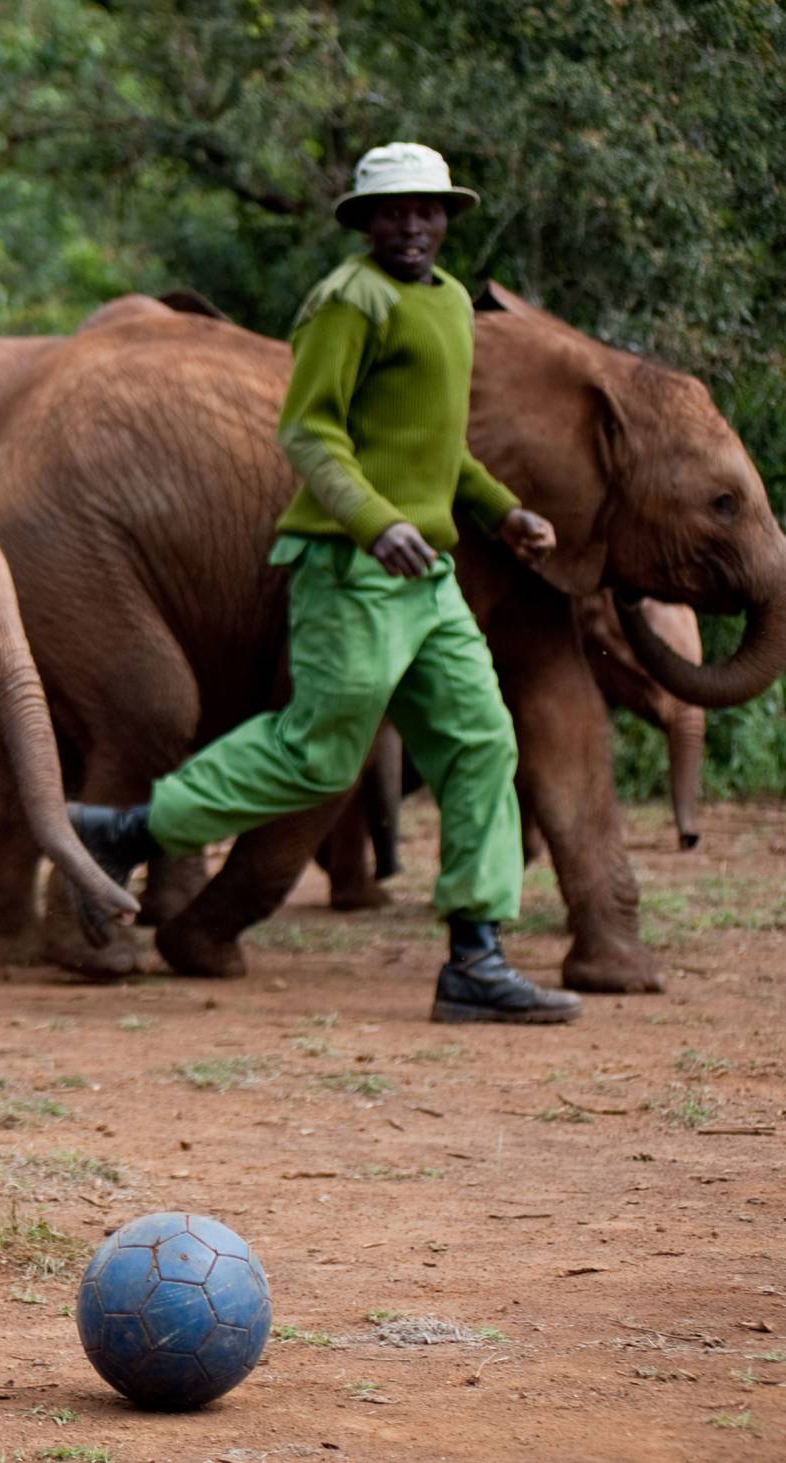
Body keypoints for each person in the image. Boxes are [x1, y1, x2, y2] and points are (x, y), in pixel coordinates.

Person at [66, 142, 580, 1025]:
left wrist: (503, 513)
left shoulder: (453, 302)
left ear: (449, 216)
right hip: (352, 568)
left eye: (426, 210)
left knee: (482, 741)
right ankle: (124, 832)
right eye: (391, 211)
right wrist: (374, 523)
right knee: (318, 753)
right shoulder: (348, 302)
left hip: (431, 578)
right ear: (364, 221)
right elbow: (309, 435)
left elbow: (433, 443)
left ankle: (475, 956)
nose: (411, 226)